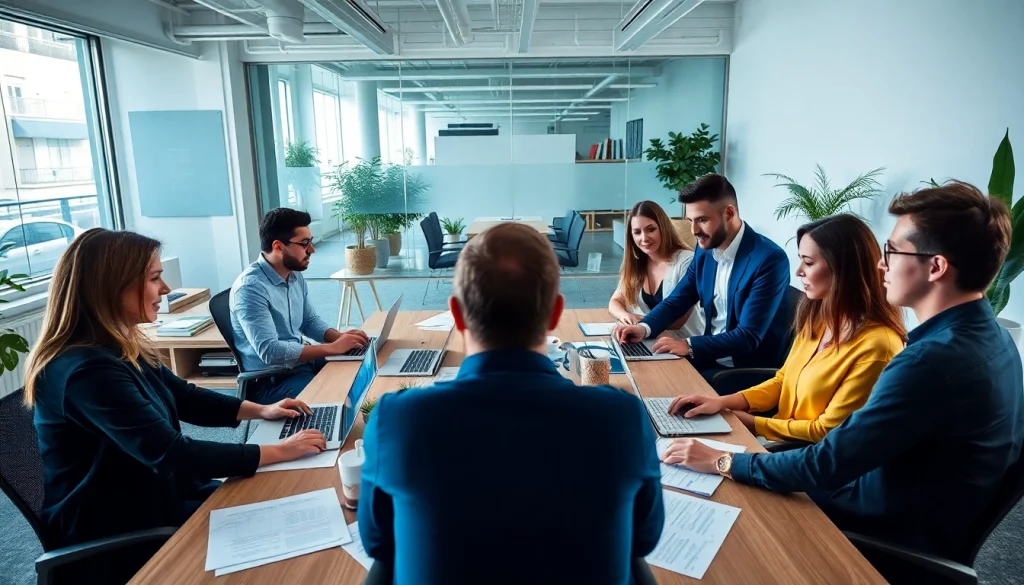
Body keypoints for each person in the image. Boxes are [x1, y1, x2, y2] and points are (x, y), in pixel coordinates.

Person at [661, 182, 1024, 575]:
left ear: (935, 267)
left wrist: (722, 461)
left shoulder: (929, 362)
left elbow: (826, 463)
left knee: (710, 525)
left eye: (893, 251)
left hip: (869, 525)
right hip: (889, 497)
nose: (881, 264)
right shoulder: (994, 339)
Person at [358, 223, 664, 585]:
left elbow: (377, 544)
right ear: (555, 314)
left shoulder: (398, 419)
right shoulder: (620, 417)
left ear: (457, 314)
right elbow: (644, 537)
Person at [25, 228, 329, 584]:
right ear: (111, 286)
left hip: (160, 494)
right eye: (154, 278)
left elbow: (184, 396)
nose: (166, 289)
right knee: (288, 541)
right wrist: (279, 451)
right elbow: (171, 454)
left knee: (290, 504)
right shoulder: (85, 371)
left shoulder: (119, 346)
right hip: (121, 527)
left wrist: (262, 410)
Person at [667, 214, 906, 443]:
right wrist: (722, 402)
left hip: (803, 455)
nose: (799, 271)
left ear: (845, 269)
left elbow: (827, 432)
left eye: (809, 262)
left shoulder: (878, 346)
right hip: (777, 439)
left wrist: (750, 423)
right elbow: (782, 380)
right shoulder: (820, 318)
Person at [614, 174, 791, 388]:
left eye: (702, 220)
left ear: (729, 213)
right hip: (706, 358)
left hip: (743, 372)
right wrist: (644, 328)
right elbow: (678, 299)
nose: (694, 231)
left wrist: (688, 345)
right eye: (691, 221)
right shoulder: (705, 249)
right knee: (637, 375)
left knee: (660, 389)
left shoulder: (768, 259)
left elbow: (748, 336)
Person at [230, 208, 369, 403]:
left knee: (362, 364)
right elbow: (270, 351)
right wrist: (331, 348)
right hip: (271, 380)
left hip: (299, 364)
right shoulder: (250, 289)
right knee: (333, 395)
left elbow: (308, 321)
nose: (312, 249)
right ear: (278, 247)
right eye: (305, 244)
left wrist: (340, 338)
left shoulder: (293, 274)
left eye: (310, 242)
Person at [609, 200, 704, 337]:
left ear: (663, 228)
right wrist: (625, 316)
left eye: (651, 229)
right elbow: (615, 301)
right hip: (653, 341)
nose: (644, 238)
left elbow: (677, 320)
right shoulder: (638, 262)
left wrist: (642, 325)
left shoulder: (687, 262)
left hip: (684, 347)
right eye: (637, 232)